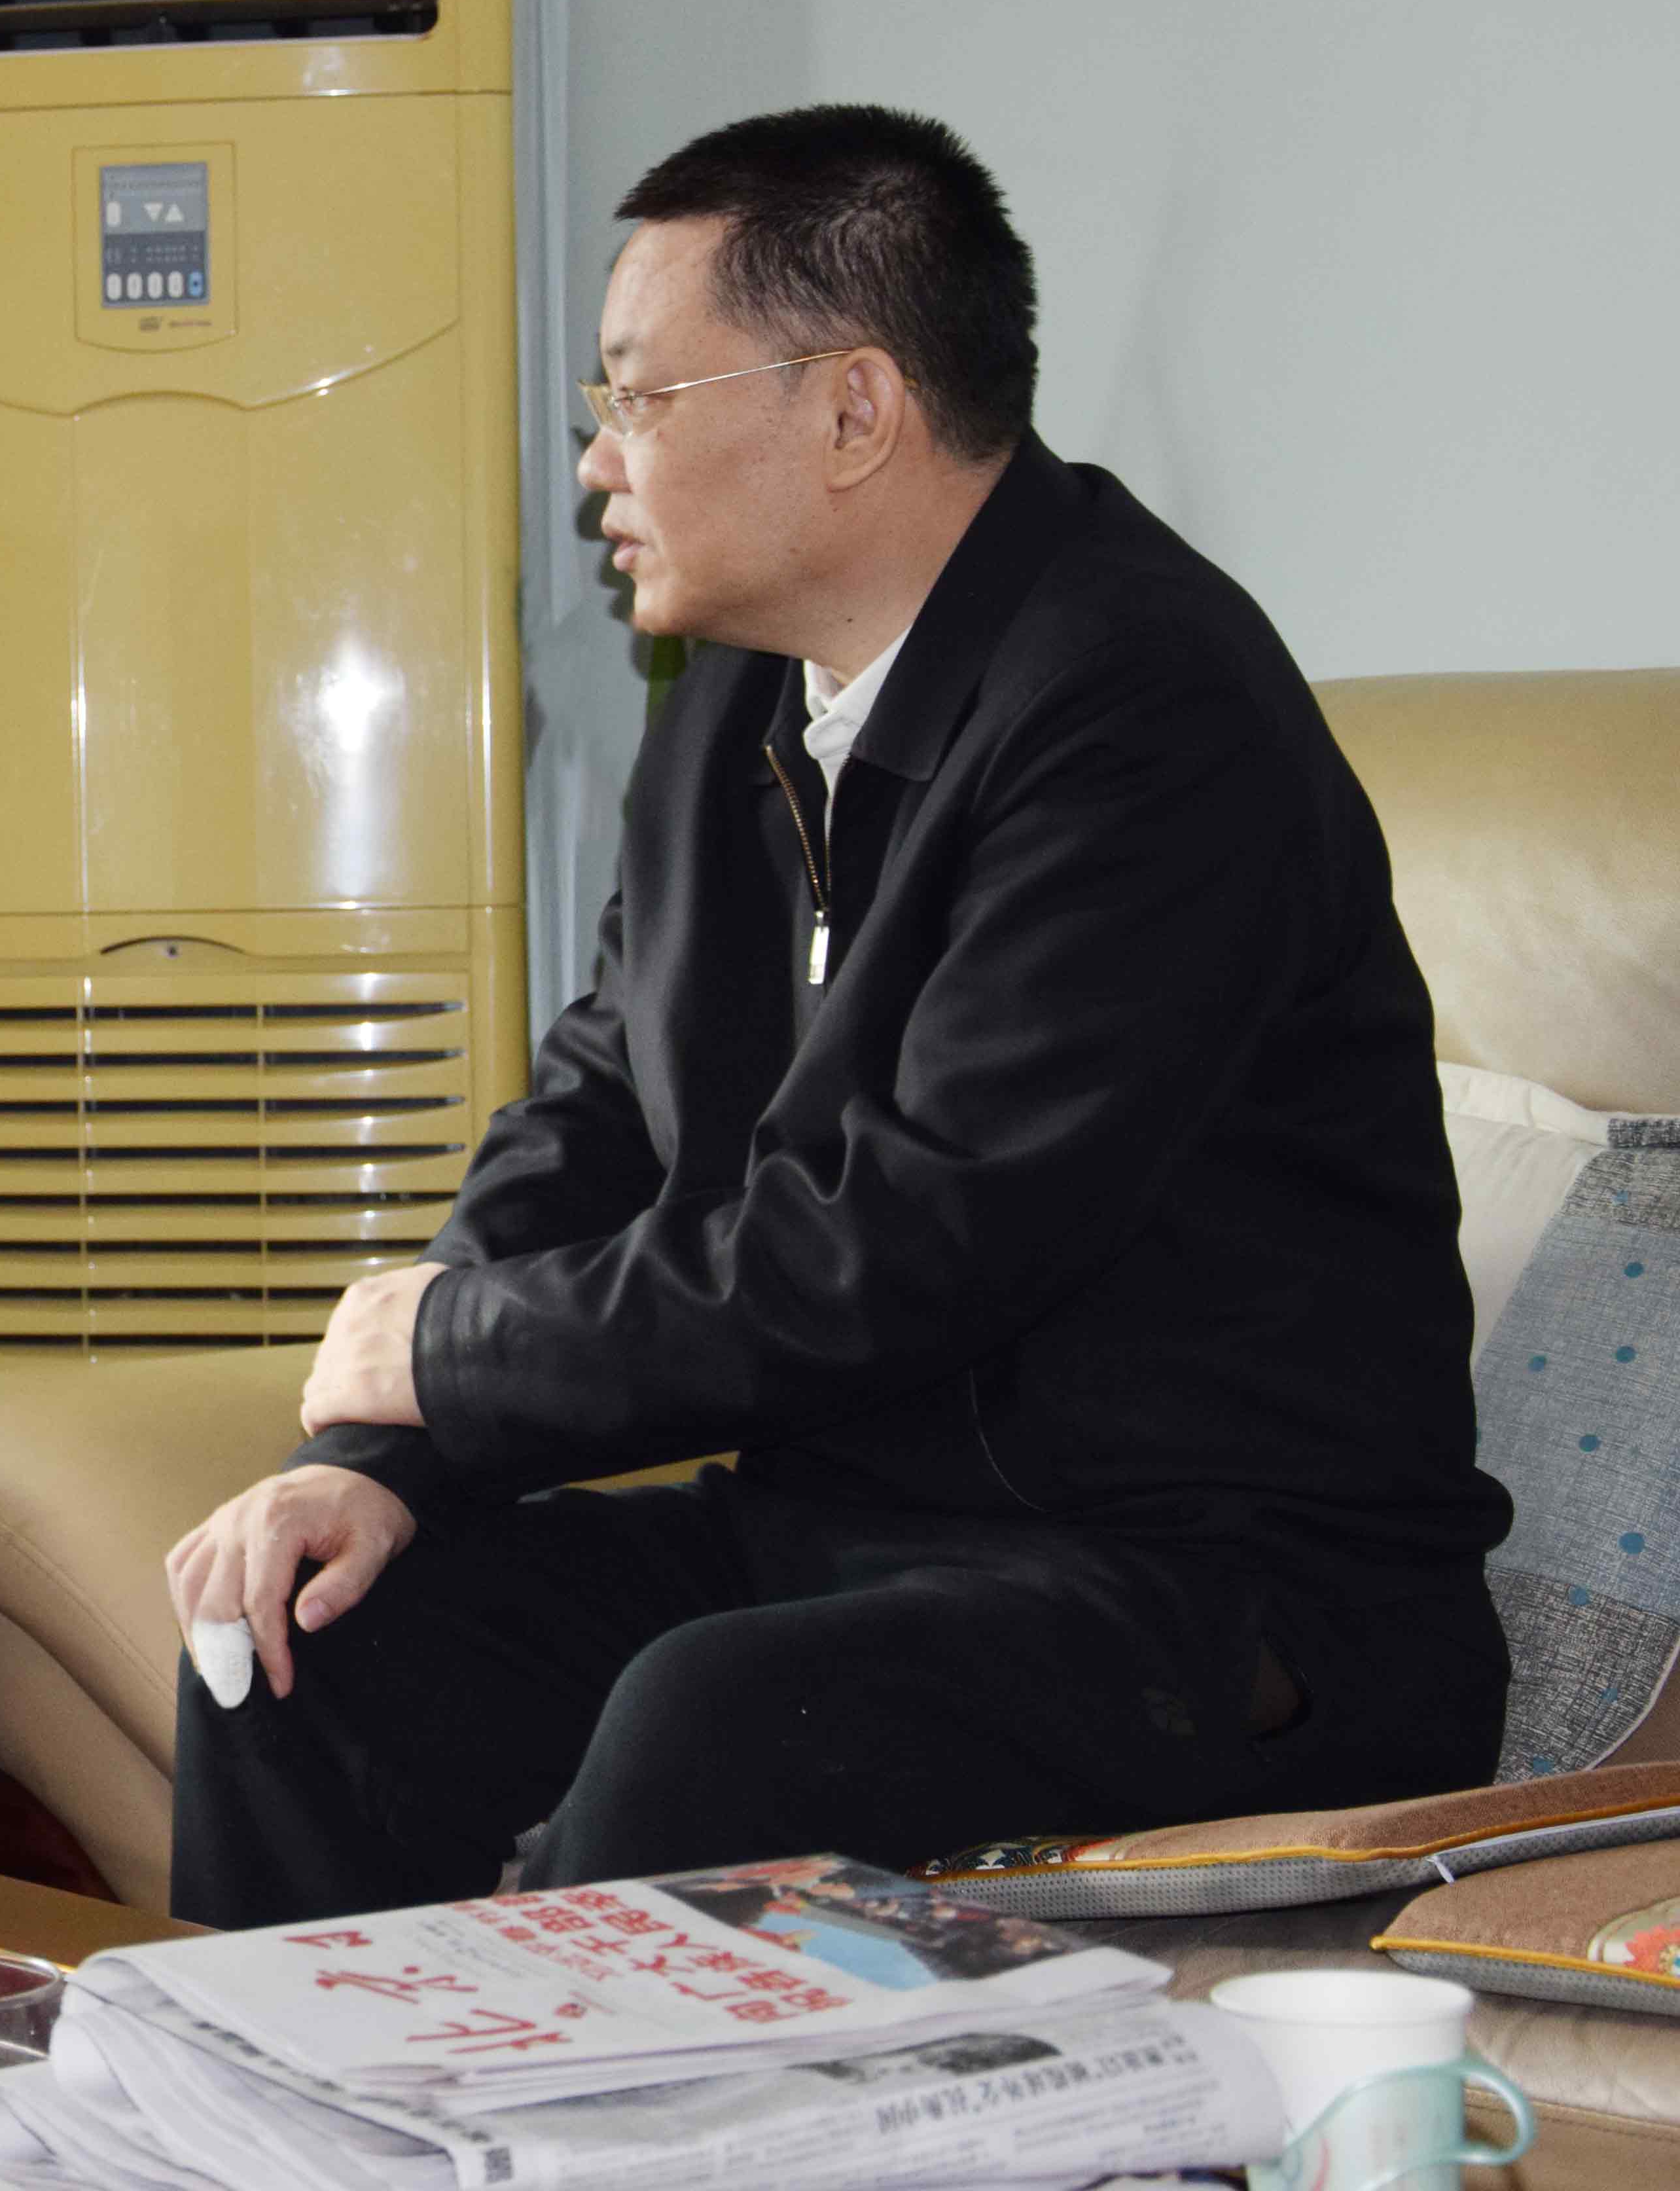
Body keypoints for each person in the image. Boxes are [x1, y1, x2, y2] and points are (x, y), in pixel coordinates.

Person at [164, 107, 1509, 1927]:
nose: (597, 462)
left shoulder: (1149, 712)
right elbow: (601, 1110)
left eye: (640, 396)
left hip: (1220, 1586)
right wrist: (383, 1455)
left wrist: (459, 1350)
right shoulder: (737, 704)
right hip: (852, 1540)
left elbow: (925, 1237)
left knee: (725, 1715)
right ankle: (306, 2087)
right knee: (312, 1639)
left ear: (855, 410)